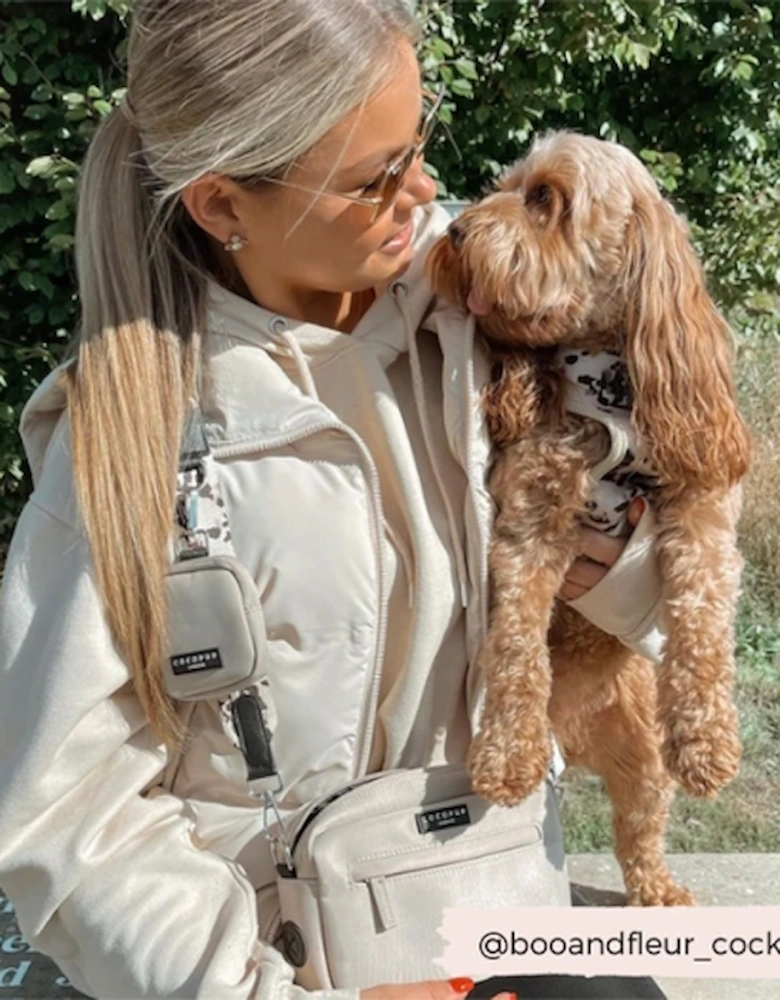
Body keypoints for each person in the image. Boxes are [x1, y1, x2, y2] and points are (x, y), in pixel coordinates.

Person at [0, 2, 669, 998]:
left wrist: (619, 564)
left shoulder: (497, 303)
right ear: (223, 205)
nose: (429, 191)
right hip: (284, 965)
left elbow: (668, 544)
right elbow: (72, 815)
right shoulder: (128, 432)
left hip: (508, 922)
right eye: (375, 180)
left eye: (420, 142)